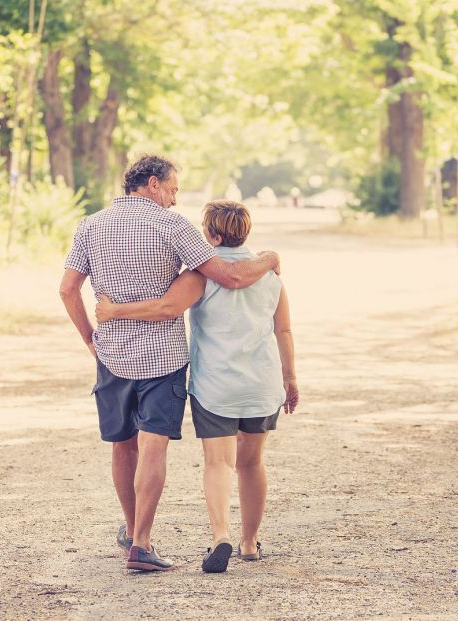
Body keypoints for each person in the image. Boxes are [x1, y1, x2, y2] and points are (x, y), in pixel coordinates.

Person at [59, 156, 280, 572]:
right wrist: (269, 259)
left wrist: (91, 337)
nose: (176, 201)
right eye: (175, 190)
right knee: (152, 447)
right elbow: (230, 276)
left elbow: (68, 288)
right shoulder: (173, 227)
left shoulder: (90, 225)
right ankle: (141, 542)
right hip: (162, 358)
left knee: (121, 445)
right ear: (154, 184)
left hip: (111, 356)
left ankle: (132, 532)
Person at [95, 200, 299, 573]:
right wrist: (290, 378)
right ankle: (250, 543)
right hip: (262, 384)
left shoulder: (201, 275)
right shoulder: (271, 275)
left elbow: (165, 308)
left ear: (213, 234)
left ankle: (220, 535)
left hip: (216, 387)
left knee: (218, 463)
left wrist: (113, 312)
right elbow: (283, 330)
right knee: (252, 462)